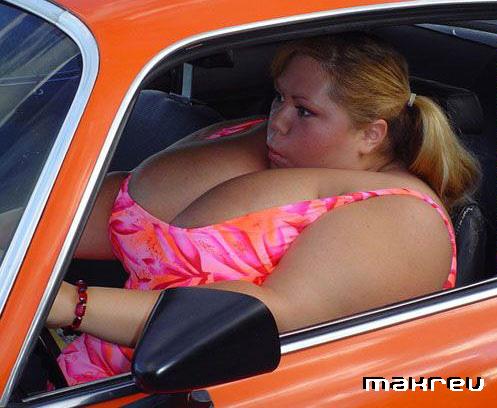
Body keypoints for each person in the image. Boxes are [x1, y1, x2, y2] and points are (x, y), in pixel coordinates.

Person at [46, 32, 480, 386]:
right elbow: (107, 213)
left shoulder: (399, 221)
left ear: (371, 134)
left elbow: (267, 317)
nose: (278, 122)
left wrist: (73, 305)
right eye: (279, 98)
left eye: (304, 111)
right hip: (68, 367)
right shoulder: (260, 143)